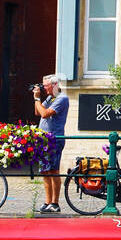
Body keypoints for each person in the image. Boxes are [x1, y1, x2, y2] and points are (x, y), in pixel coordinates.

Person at [33, 75, 69, 214]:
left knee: (53, 171)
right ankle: (47, 202)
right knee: (45, 171)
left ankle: (55, 202)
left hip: (54, 139)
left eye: (46, 85)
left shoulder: (62, 98)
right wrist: (37, 99)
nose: (44, 88)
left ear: (54, 85)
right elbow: (37, 111)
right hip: (43, 139)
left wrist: (37, 99)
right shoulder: (49, 98)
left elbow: (45, 114)